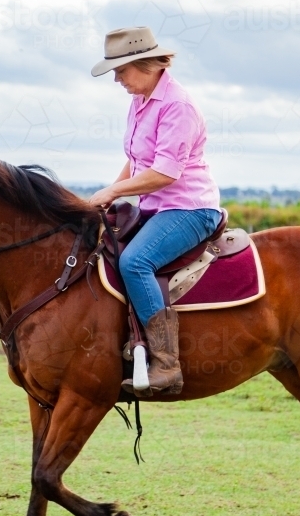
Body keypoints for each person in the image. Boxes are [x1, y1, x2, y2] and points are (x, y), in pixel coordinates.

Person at [89, 26, 222, 395]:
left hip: (189, 209)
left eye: (120, 70)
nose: (117, 79)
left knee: (135, 262)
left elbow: (165, 172)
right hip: (155, 207)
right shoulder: (141, 101)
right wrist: (110, 197)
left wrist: (114, 190)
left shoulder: (177, 105)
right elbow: (136, 162)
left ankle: (166, 364)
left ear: (144, 64)